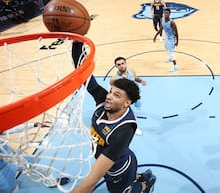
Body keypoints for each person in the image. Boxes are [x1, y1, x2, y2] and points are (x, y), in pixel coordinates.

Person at [70, 41, 156, 193]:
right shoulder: (103, 100)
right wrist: (77, 41)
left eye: (116, 95)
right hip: (113, 158)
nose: (109, 96)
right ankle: (139, 176)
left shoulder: (123, 131)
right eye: (110, 91)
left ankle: (145, 185)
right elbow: (84, 74)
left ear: (126, 103)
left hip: (119, 167)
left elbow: (90, 183)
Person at [0, 122, 69, 193]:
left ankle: (52, 182)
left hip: (11, 155)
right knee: (12, 190)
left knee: (39, 167)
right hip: (1, 168)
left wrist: (33, 125)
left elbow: (10, 129)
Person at [109, 56, 147, 135]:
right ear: (116, 66)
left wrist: (141, 81)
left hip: (134, 94)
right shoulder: (114, 79)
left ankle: (137, 108)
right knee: (131, 113)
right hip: (125, 99)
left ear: (126, 63)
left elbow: (135, 78)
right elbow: (113, 91)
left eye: (123, 63)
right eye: (119, 64)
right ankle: (134, 128)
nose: (121, 65)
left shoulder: (131, 71)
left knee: (138, 106)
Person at [153, 8, 179, 72]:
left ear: (170, 14)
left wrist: (177, 41)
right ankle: (170, 58)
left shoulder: (172, 23)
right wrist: (155, 36)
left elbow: (176, 32)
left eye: (167, 13)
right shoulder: (162, 20)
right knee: (166, 47)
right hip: (167, 37)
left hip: (172, 38)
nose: (166, 14)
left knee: (171, 52)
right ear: (163, 14)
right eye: (165, 13)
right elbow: (161, 29)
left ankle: (175, 66)